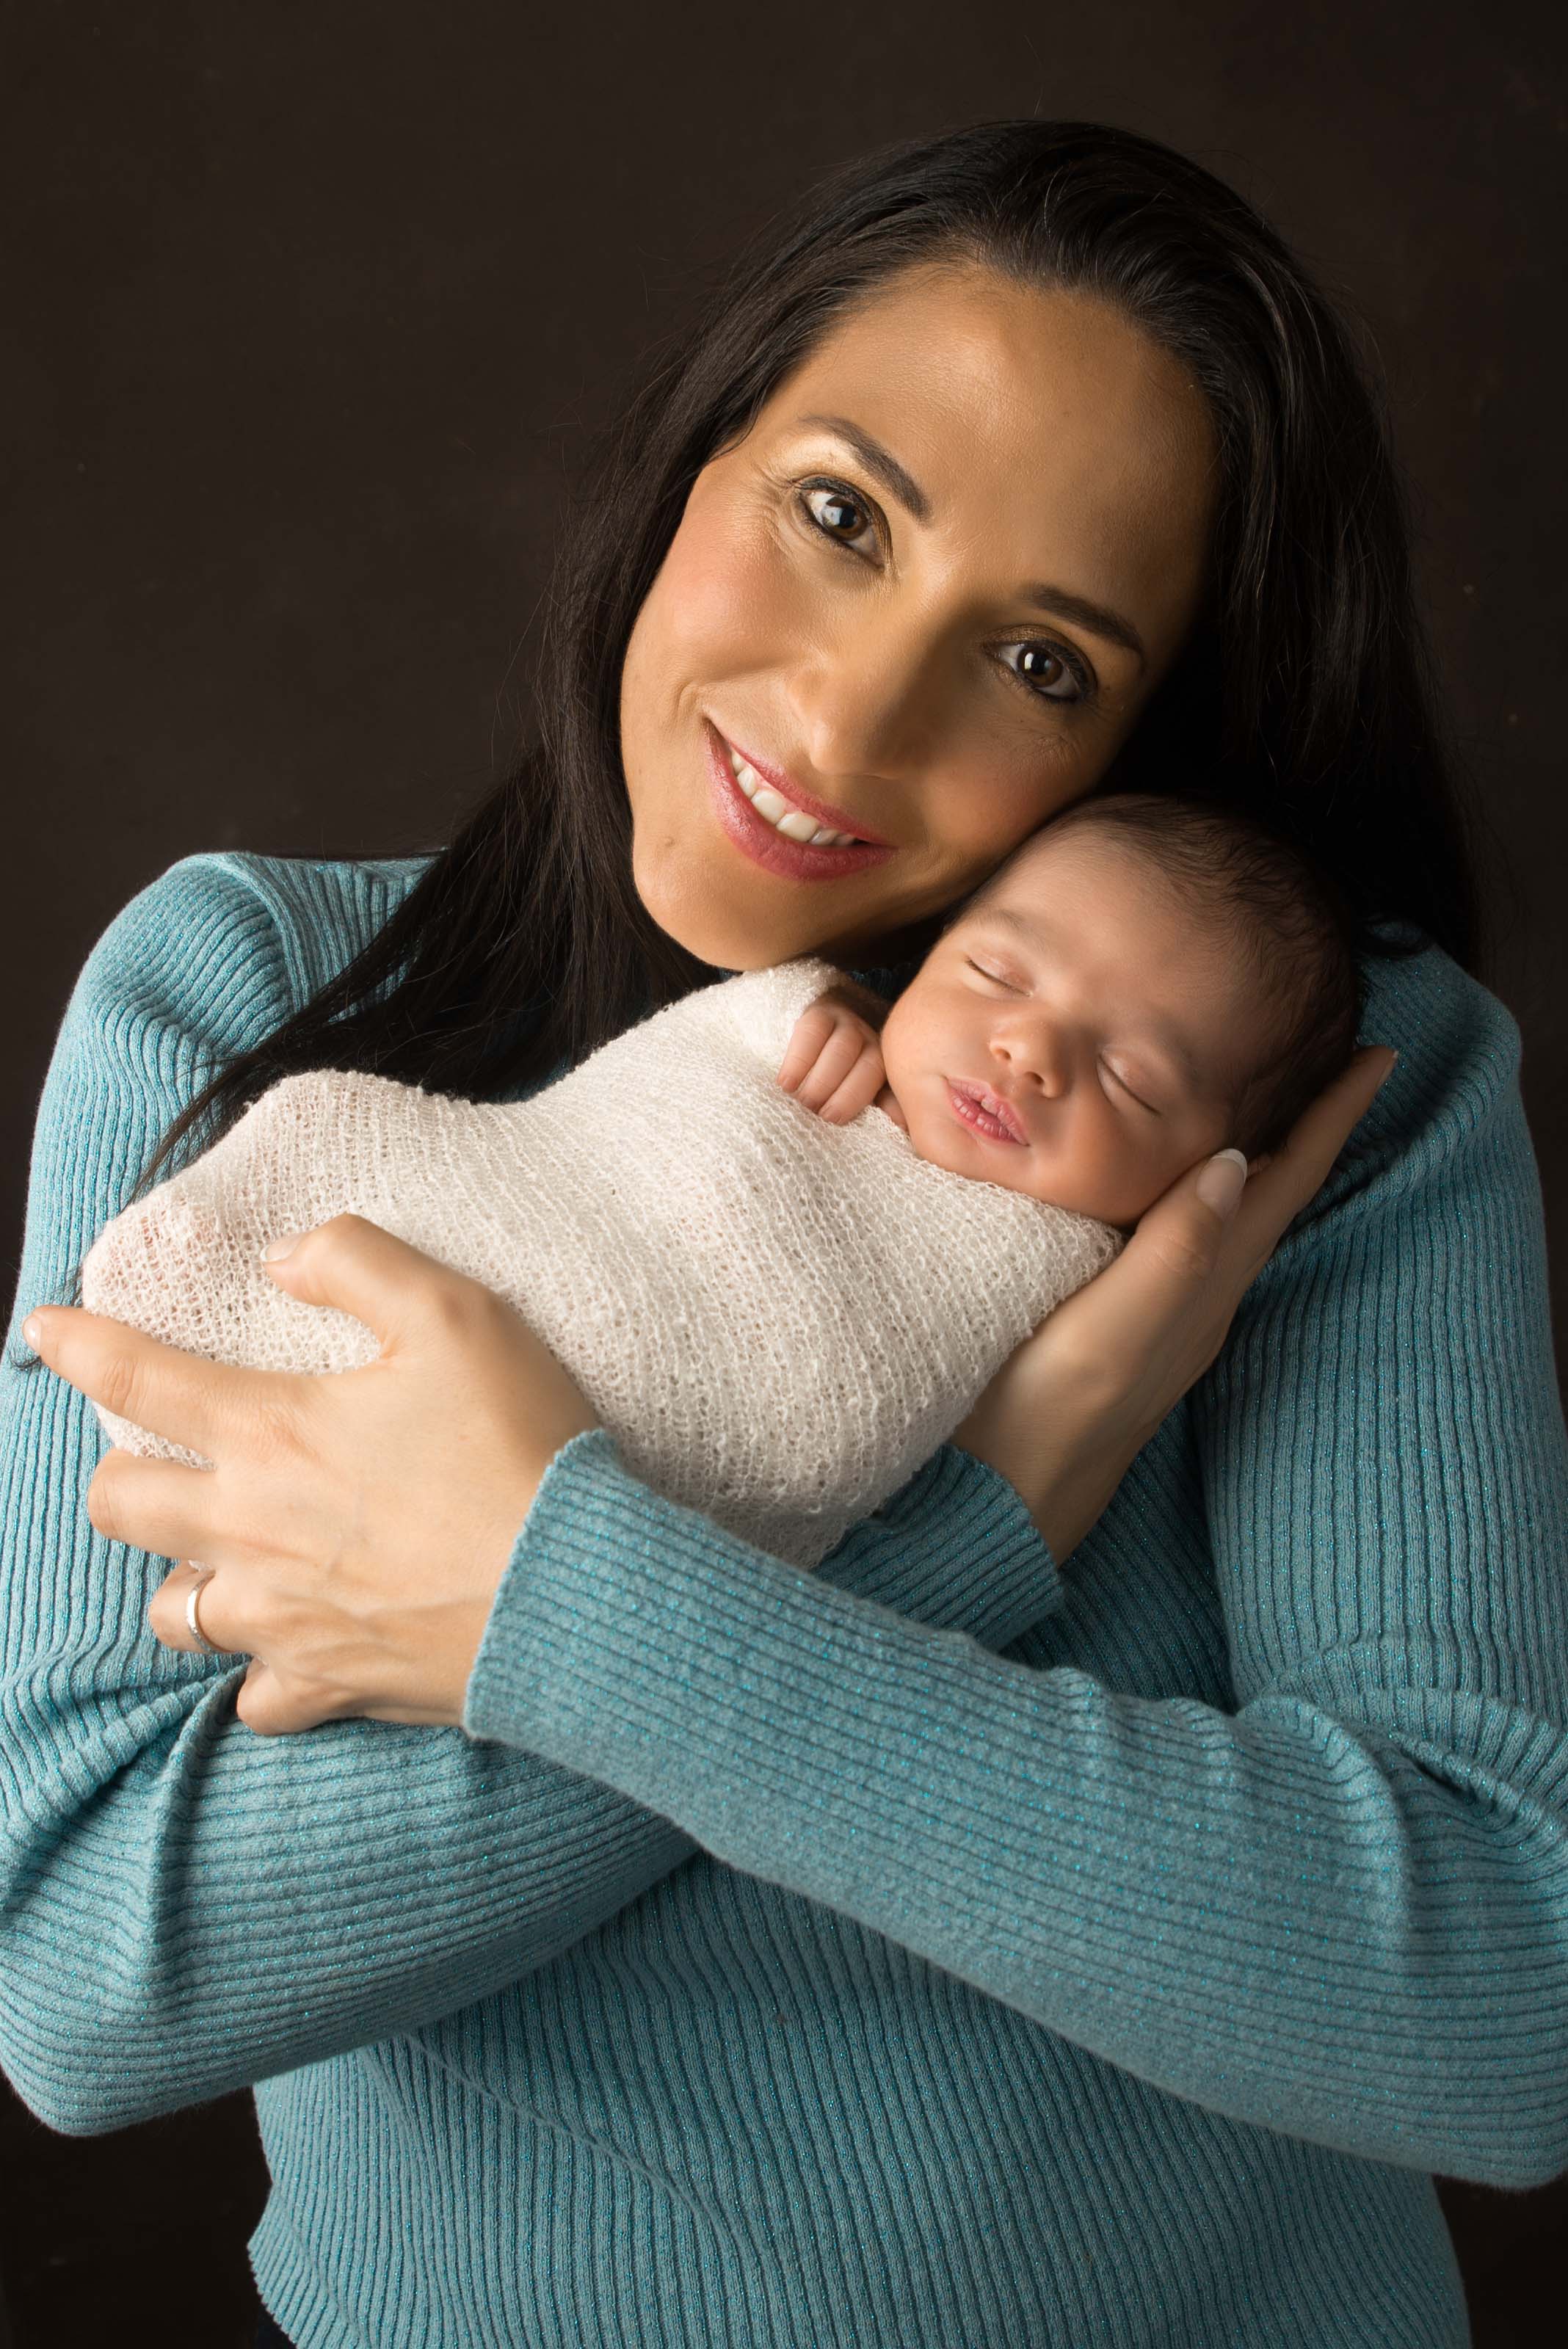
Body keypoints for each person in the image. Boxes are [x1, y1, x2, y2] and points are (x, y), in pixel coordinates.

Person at [2, 118, 1564, 2349]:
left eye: (1042, 663)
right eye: (841, 516)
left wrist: (558, 1604)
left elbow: (1499, 2002)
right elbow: (82, 1973)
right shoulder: (253, 1006)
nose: (847, 722)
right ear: (689, 461)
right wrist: (984, 1509)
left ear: (1150, 739)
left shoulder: (1265, 1094)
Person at [75, 793, 1357, 1580]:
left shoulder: (1087, 1287)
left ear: (1204, 1174)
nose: (1030, 1050)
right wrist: (826, 1020)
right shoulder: (221, 955)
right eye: (997, 977)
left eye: (1131, 1081)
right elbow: (617, 1153)